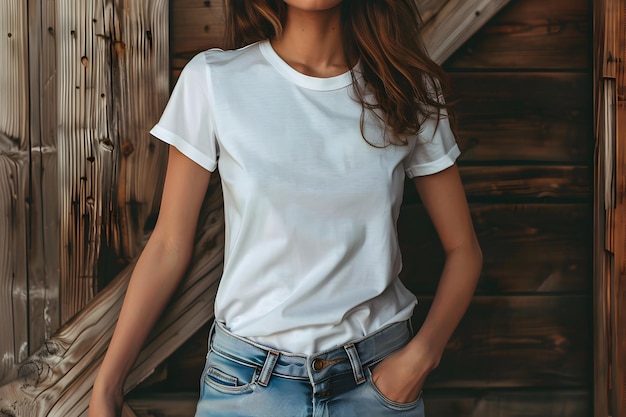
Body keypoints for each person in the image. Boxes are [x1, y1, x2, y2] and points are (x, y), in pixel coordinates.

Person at [89, 0, 482, 416]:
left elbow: (464, 250)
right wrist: (107, 388)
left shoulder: (407, 88)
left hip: (377, 383)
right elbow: (168, 244)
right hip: (246, 387)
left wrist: (422, 357)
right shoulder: (214, 80)